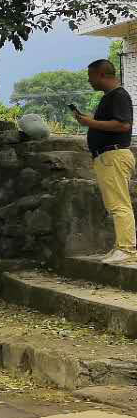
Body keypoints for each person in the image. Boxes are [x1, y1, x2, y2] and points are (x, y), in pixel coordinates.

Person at [74, 58, 135, 265]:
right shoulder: (109, 97)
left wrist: (90, 122)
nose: (89, 81)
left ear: (101, 74)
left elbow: (123, 125)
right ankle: (121, 246)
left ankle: (127, 249)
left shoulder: (118, 95)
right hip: (107, 156)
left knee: (119, 204)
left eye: (91, 76)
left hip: (113, 155)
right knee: (114, 204)